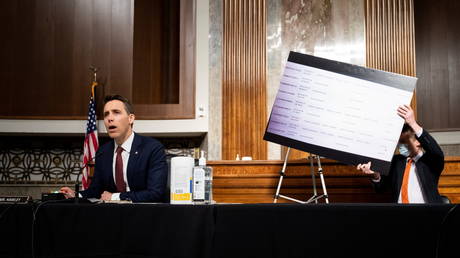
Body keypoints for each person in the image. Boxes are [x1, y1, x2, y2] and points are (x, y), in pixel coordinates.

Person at [60, 95, 167, 202]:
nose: (109, 118)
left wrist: (116, 197)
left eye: (116, 112)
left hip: (143, 214)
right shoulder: (103, 152)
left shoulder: (152, 148)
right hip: (112, 214)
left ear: (131, 118)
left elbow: (156, 193)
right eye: (106, 114)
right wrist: (76, 195)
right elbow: (96, 190)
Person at [357, 104, 445, 203]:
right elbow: (381, 188)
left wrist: (413, 123)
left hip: (427, 214)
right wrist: (375, 176)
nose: (401, 146)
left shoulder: (430, 161)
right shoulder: (396, 162)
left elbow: (437, 152)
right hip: (400, 214)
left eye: (405, 142)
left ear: (418, 142)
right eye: (400, 143)